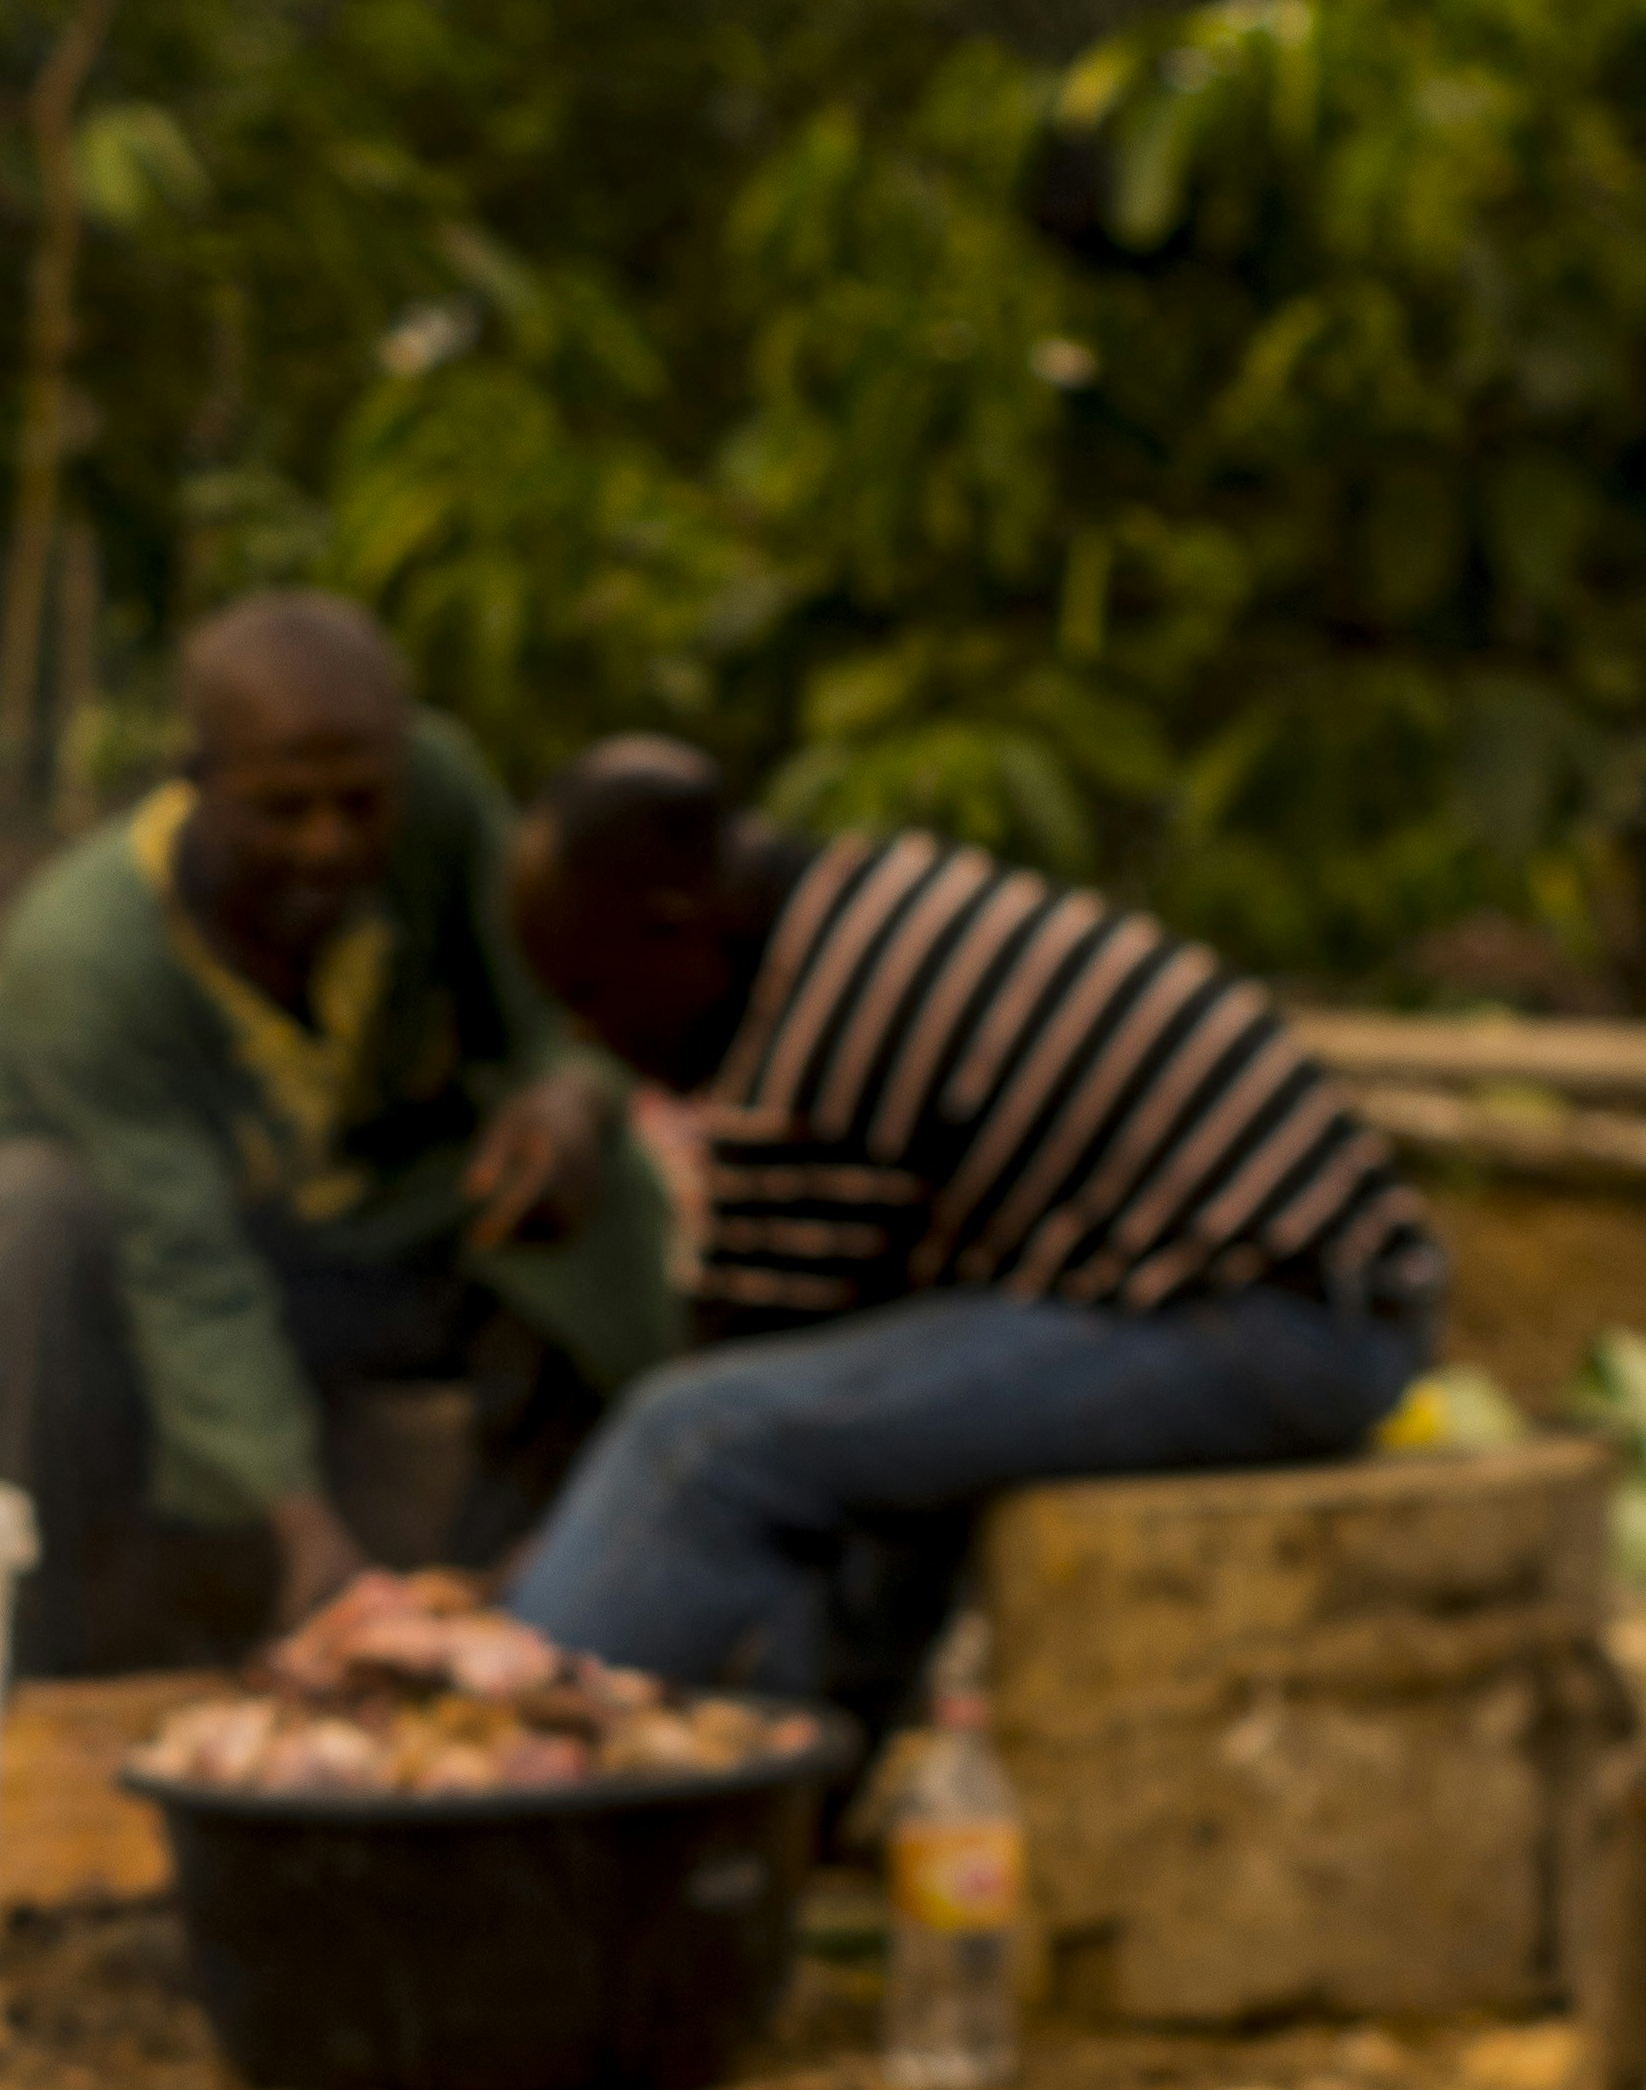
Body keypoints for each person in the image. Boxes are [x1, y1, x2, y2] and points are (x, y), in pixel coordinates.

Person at [502, 742, 1443, 1732]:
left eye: (590, 997)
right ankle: (822, 1776)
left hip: (1264, 1323)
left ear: (677, 935)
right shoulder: (849, 903)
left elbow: (742, 1375)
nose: (588, 1042)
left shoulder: (814, 1040)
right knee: (838, 1438)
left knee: (689, 1440)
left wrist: (546, 1592)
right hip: (1283, 1295)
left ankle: (507, 1763)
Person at [0, 594, 675, 1676]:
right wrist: (305, 1535)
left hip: (337, 1219)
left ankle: (536, 1594)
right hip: (122, 1249)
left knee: (590, 1170)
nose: (327, 845)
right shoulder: (89, 951)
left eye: (358, 806)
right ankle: (13, 1648)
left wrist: (571, 1093)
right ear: (194, 783)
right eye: (280, 810)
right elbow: (183, 1267)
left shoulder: (438, 795)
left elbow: (553, 1005)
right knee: (36, 1208)